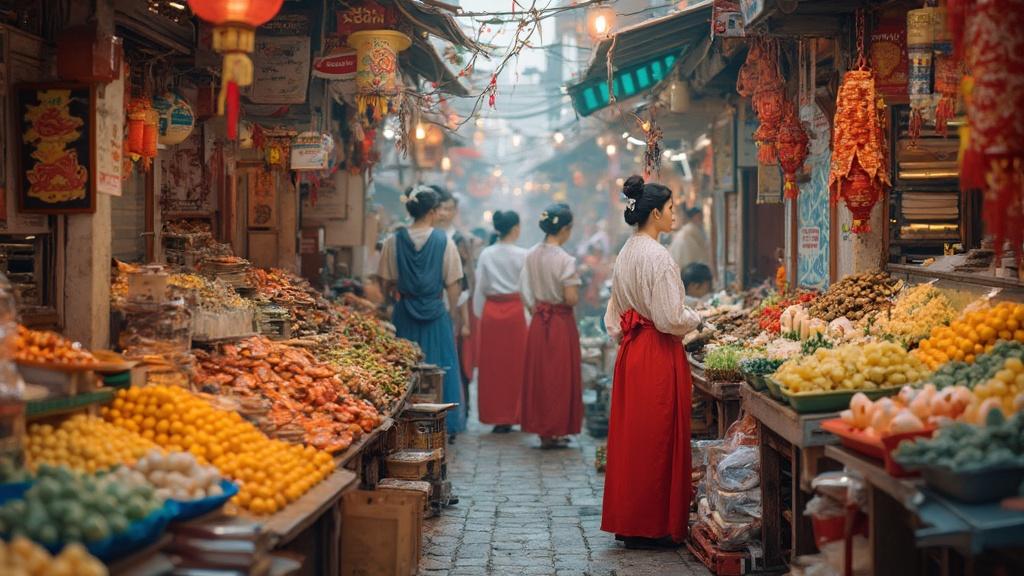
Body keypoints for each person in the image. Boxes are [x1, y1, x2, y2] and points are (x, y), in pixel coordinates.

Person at [601, 175, 702, 549]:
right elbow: (669, 318)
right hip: (657, 353)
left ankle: (629, 521)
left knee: (633, 440)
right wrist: (697, 318)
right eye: (672, 209)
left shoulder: (627, 252)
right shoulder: (659, 257)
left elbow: (613, 316)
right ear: (656, 212)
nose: (675, 214)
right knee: (658, 438)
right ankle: (655, 525)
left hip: (631, 351)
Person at [378, 186, 466, 438]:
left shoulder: (393, 241)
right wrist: (453, 316)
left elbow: (386, 280)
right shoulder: (444, 241)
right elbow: (453, 284)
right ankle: (443, 424)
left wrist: (388, 300)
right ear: (431, 212)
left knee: (405, 367)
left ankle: (405, 422)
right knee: (441, 366)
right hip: (436, 313)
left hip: (404, 310)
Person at [520, 204, 583, 449]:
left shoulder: (531, 254)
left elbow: (524, 290)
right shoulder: (565, 260)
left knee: (542, 377)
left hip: (539, 319)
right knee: (559, 377)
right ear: (565, 229)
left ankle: (544, 430)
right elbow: (571, 298)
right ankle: (556, 429)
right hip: (560, 321)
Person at [472, 210, 528, 433]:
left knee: (492, 367)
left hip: (492, 314)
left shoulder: (487, 254)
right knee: (516, 366)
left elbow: (481, 287)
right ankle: (515, 413)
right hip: (516, 313)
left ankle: (496, 416)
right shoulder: (523, 254)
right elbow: (527, 288)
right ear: (515, 228)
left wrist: (479, 313)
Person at [431, 185, 478, 419]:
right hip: (433, 302)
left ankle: (461, 409)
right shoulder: (431, 235)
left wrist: (464, 315)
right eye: (441, 208)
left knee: (457, 360)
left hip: (457, 302)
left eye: (449, 208)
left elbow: (466, 280)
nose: (445, 213)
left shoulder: (458, 239)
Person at [669, 206, 711, 271]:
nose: (701, 219)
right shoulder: (687, 233)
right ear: (693, 217)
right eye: (699, 217)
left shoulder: (693, 231)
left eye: (701, 217)